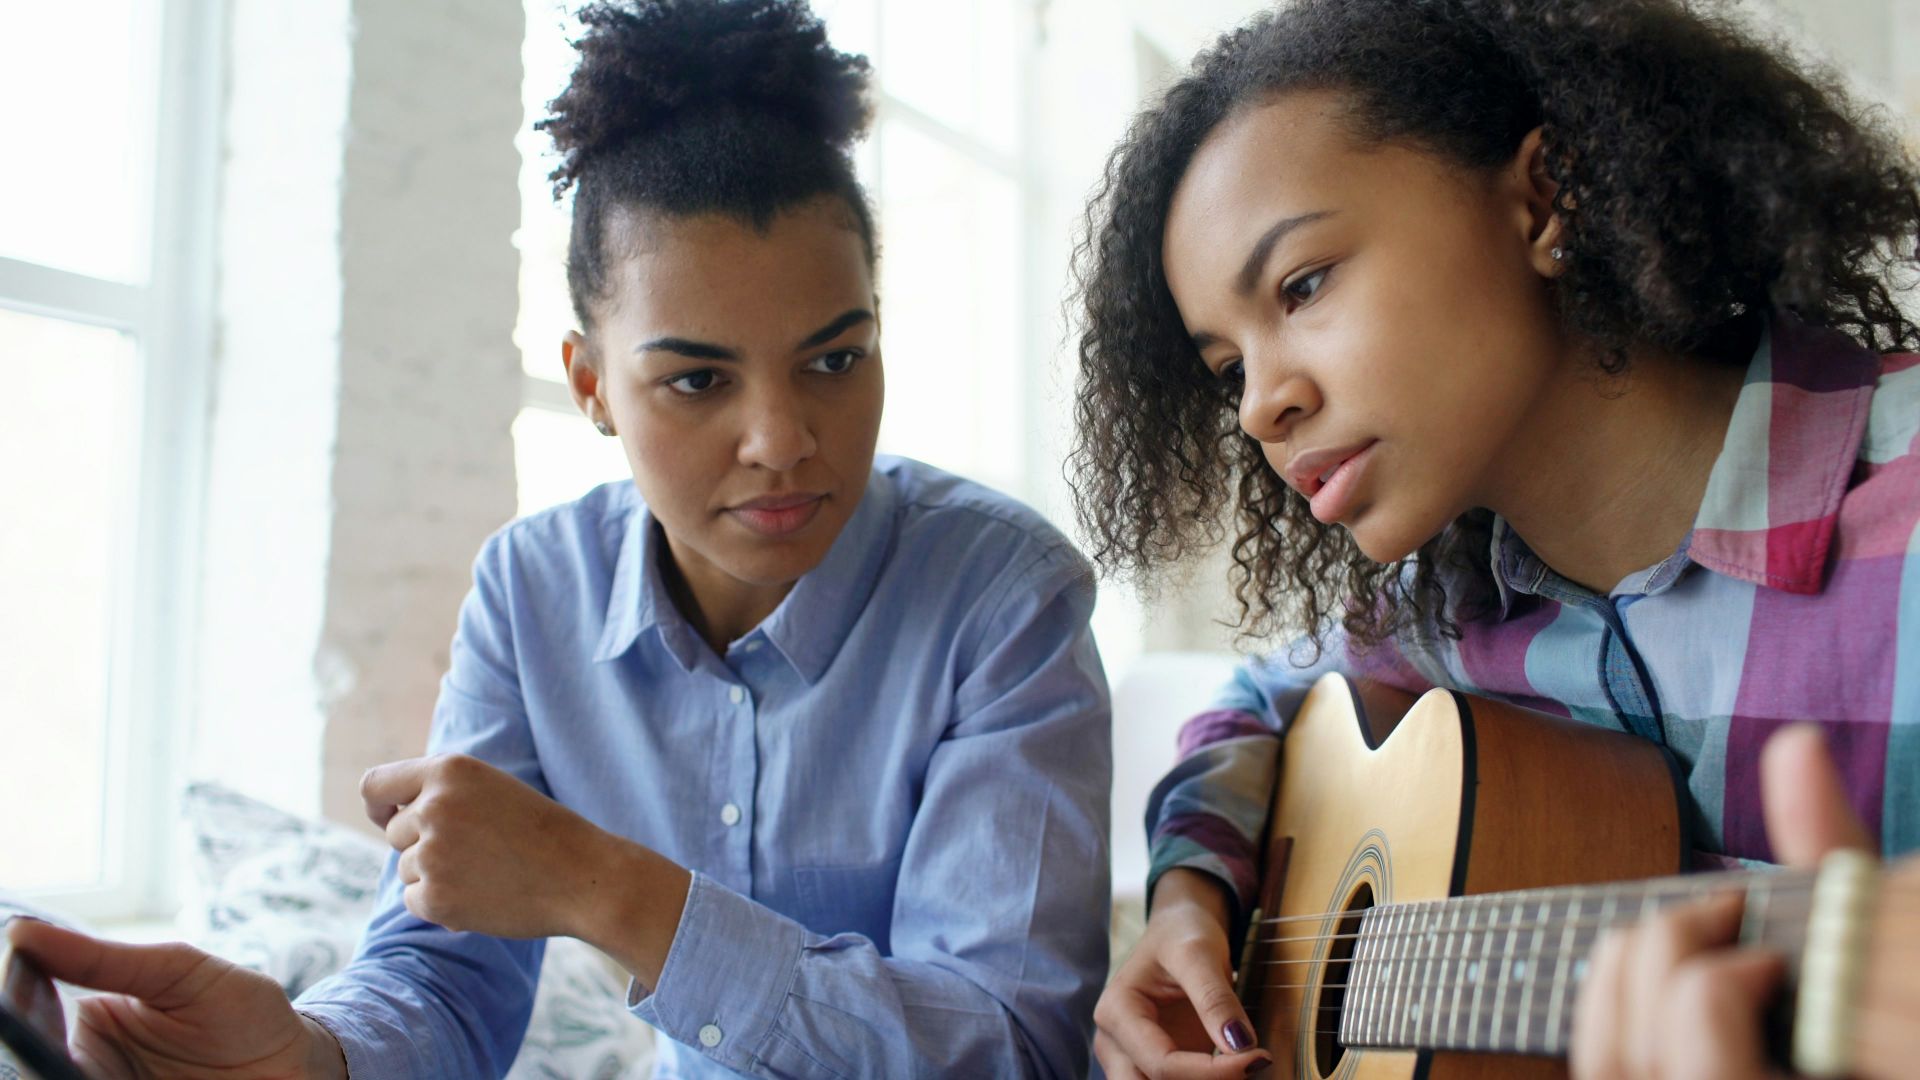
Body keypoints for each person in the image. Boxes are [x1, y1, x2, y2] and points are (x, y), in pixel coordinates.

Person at [5, 1, 1111, 1076]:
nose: (782, 441)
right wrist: (308, 1056)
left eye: (834, 358)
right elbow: (444, 982)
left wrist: (603, 885)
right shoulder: (531, 594)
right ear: (590, 384)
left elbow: (1010, 1050)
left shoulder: (1002, 596)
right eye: (695, 379)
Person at [1064, 0, 1920, 1077]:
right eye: (1228, 369)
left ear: (1543, 198)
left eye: (1304, 285)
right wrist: (1188, 893)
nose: (1257, 410)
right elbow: (1254, 706)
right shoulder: (1441, 611)